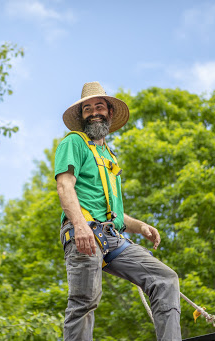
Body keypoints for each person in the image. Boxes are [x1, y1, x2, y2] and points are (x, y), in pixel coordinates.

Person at [55, 81, 182, 341]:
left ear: (110, 113)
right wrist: (79, 226)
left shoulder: (109, 157)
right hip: (83, 231)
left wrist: (141, 226)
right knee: (85, 300)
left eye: (99, 106)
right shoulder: (74, 143)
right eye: (87, 109)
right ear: (82, 116)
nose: (93, 112)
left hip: (111, 237)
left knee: (165, 279)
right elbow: (65, 186)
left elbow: (114, 214)